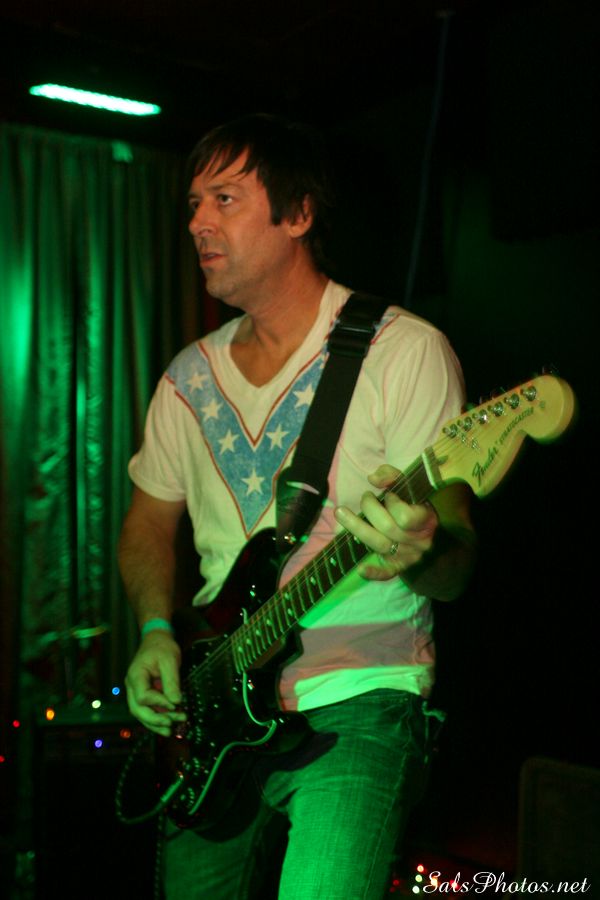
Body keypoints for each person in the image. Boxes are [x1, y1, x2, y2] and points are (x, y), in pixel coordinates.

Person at [118, 113, 477, 899]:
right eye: (193, 203)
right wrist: (153, 632)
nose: (197, 222)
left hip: (360, 696)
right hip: (217, 711)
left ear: (300, 214)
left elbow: (454, 565)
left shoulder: (401, 351)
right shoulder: (186, 378)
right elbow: (147, 521)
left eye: (224, 198)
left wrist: (423, 551)